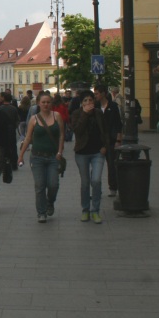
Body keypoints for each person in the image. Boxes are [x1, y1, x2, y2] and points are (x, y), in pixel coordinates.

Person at [18, 91, 65, 222]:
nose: (46, 104)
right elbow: (27, 139)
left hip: (53, 157)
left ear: (51, 104)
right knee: (40, 185)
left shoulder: (57, 116)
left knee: (53, 184)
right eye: (43, 102)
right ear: (39, 103)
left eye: (48, 102)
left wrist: (60, 151)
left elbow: (61, 135)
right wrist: (20, 156)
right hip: (37, 157)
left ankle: (50, 202)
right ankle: (41, 212)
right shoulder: (34, 119)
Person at [69, 91, 108, 223]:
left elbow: (105, 130)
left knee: (96, 181)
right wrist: (85, 114)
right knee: (85, 183)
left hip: (98, 152)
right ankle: (85, 210)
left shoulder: (98, 113)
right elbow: (78, 130)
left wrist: (105, 146)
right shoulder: (76, 114)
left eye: (90, 100)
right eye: (85, 101)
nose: (88, 103)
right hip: (82, 152)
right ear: (81, 103)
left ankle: (95, 210)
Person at [94, 85, 123, 198]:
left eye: (97, 93)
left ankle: (113, 188)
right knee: (96, 166)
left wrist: (118, 139)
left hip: (111, 140)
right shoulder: (95, 106)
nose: (95, 95)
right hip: (98, 140)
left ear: (103, 94)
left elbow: (118, 124)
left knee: (112, 165)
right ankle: (97, 189)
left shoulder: (113, 106)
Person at [0, 91, 20, 172]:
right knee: (13, 147)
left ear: (3, 99)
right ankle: (14, 164)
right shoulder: (13, 108)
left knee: (3, 147)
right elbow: (17, 120)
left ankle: (4, 164)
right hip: (11, 129)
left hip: (2, 130)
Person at [16, 93, 32, 164]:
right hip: (28, 121)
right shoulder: (29, 107)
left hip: (22, 122)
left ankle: (23, 143)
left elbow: (18, 115)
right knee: (28, 134)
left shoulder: (20, 107)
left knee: (22, 134)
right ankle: (27, 146)